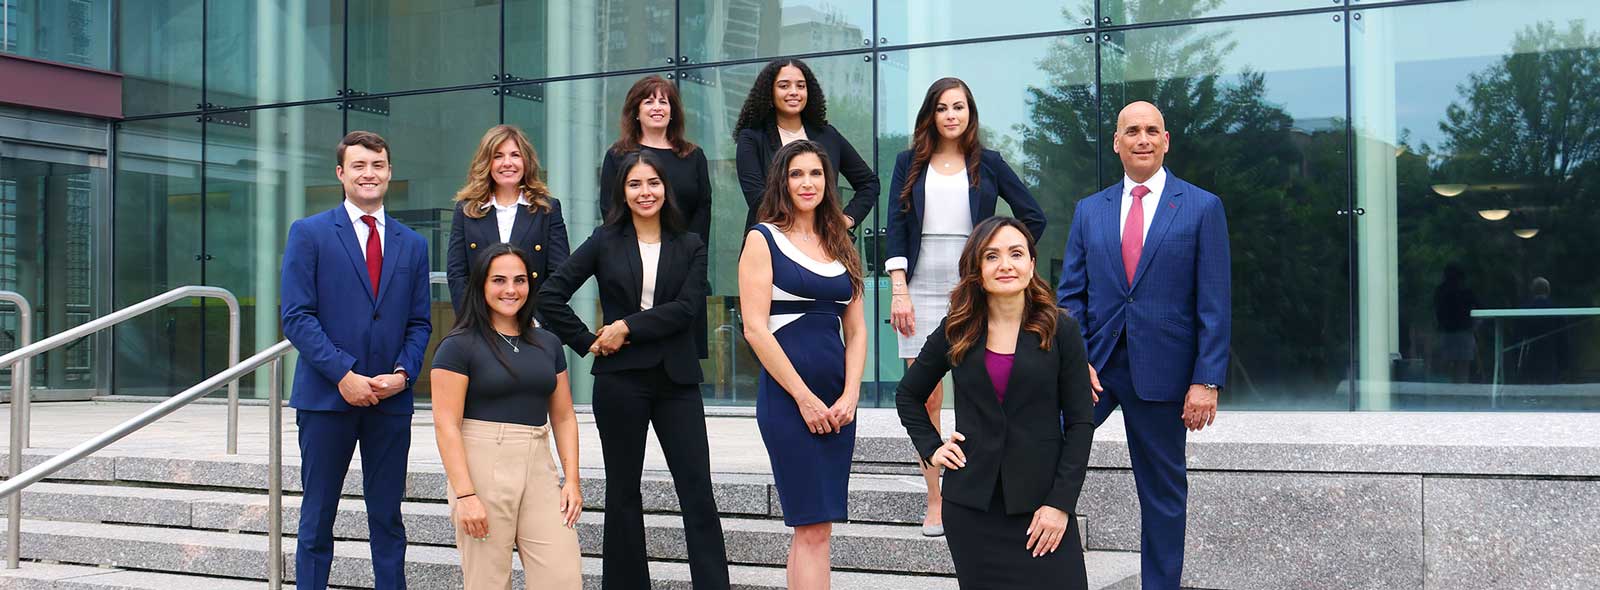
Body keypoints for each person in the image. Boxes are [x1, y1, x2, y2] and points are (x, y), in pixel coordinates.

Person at [1055, 101, 1231, 590]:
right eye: (1132, 131)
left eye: (1152, 130)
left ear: (1166, 140)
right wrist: (1077, 362)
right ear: (1117, 142)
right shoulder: (1090, 211)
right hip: (1097, 369)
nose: (1142, 139)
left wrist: (1206, 379)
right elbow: (1070, 296)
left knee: (1162, 493)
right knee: (1046, 454)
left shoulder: (1201, 207)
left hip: (1166, 374)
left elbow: (1215, 302)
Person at [538, 151, 729, 589]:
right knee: (623, 494)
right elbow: (550, 294)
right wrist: (587, 342)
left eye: (653, 183)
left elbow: (685, 309)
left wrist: (625, 326)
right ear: (621, 193)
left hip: (677, 381)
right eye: (635, 185)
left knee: (697, 491)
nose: (645, 192)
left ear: (666, 189)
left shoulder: (690, 243)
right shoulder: (604, 240)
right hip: (620, 382)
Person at [884, 77, 1048, 537]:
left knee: (977, 385)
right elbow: (897, 226)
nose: (951, 115)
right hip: (919, 280)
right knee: (928, 393)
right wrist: (899, 288)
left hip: (971, 280)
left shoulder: (989, 163)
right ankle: (935, 500)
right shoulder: (908, 163)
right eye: (942, 107)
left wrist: (1005, 257)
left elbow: (1032, 215)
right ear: (931, 115)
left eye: (959, 107)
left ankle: (984, 486)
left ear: (970, 113)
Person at [896, 216, 1093, 589]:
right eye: (992, 256)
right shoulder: (956, 328)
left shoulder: (1061, 329)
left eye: (1016, 254)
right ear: (977, 268)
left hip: (1042, 508)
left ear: (1031, 265)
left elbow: (1081, 423)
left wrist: (1060, 504)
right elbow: (908, 394)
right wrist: (932, 448)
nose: (1005, 265)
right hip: (972, 509)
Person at [279, 130, 432, 590]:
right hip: (327, 399)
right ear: (341, 173)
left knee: (387, 517)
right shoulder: (309, 234)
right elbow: (296, 316)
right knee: (317, 517)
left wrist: (404, 374)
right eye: (360, 166)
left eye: (378, 165)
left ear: (389, 172)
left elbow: (420, 322)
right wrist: (344, 374)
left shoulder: (412, 244)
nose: (370, 174)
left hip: (390, 402)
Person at [737, 140, 866, 590]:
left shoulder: (840, 242)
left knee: (817, 529)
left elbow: (857, 330)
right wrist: (805, 398)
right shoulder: (763, 238)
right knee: (811, 527)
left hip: (838, 404)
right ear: (782, 182)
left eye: (815, 173)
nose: (807, 183)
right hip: (790, 401)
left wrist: (851, 394)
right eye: (796, 174)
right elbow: (755, 329)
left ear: (828, 182)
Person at [430, 244, 582, 589]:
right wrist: (466, 495)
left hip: (538, 464)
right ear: (481, 285)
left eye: (519, 280)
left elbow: (563, 416)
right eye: (499, 280)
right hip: (482, 464)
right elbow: (446, 425)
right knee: (488, 581)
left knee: (562, 577)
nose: (511, 290)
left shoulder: (547, 343)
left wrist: (571, 479)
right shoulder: (458, 345)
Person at [599, 74, 712, 358]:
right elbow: (609, 211)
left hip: (683, 266)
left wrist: (693, 261)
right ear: (636, 111)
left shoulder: (693, 156)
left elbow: (703, 212)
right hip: (636, 267)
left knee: (680, 357)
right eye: (648, 101)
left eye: (664, 101)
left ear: (673, 110)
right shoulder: (618, 156)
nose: (657, 107)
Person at [734, 58, 878, 232]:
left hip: (824, 243)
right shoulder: (752, 138)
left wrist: (846, 219)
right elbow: (757, 198)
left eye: (801, 86)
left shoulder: (828, 135)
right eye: (784, 86)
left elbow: (869, 183)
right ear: (769, 92)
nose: (794, 92)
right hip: (773, 241)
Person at [447, 124, 569, 319]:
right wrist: (473, 324)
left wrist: (537, 323)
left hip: (532, 326)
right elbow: (457, 275)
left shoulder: (547, 209)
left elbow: (559, 275)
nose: (507, 163)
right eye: (498, 156)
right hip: (480, 327)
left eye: (515, 155)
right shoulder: (466, 210)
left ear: (526, 161)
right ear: (486, 162)